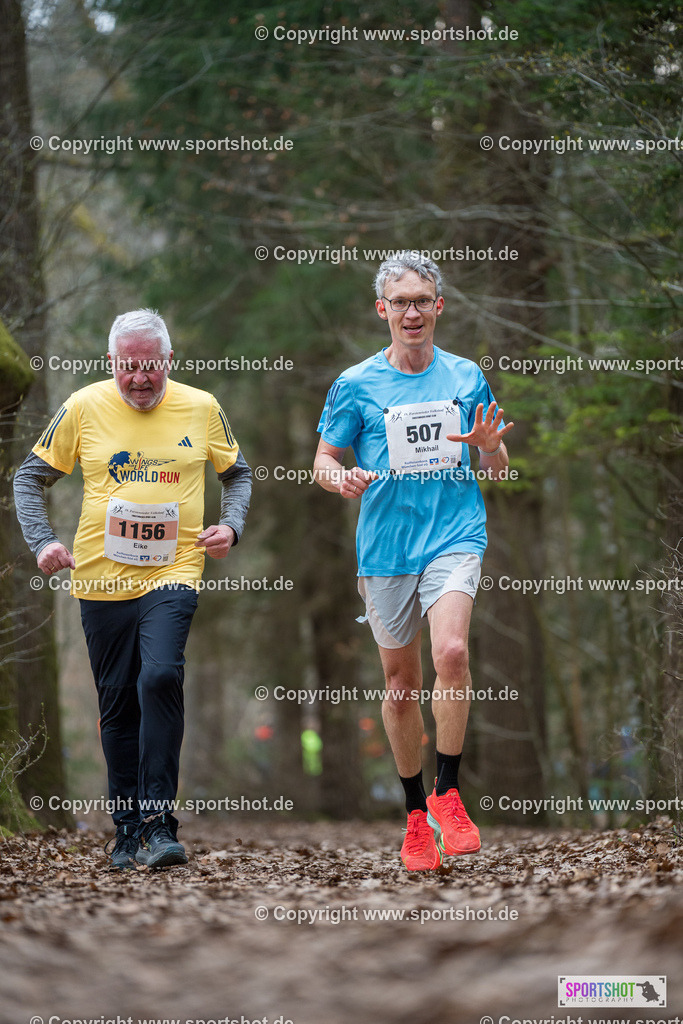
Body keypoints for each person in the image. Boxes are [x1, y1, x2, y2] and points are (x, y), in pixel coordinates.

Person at [14, 309, 252, 870]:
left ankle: (159, 822)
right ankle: (125, 829)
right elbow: (29, 477)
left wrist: (231, 526)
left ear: (168, 361)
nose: (140, 378)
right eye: (128, 367)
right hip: (100, 578)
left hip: (174, 573)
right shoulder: (82, 406)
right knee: (118, 701)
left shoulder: (201, 406)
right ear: (111, 364)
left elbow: (237, 473)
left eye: (150, 366)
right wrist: (43, 542)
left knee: (162, 674)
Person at [313, 252, 513, 871]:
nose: (411, 312)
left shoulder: (465, 377)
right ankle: (414, 817)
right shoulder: (356, 384)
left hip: (455, 534)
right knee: (400, 684)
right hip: (386, 549)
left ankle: (448, 793)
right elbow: (323, 459)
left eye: (421, 300)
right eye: (399, 302)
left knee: (451, 653)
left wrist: (490, 448)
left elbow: (497, 468)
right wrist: (339, 478)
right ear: (383, 311)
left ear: (439, 307)